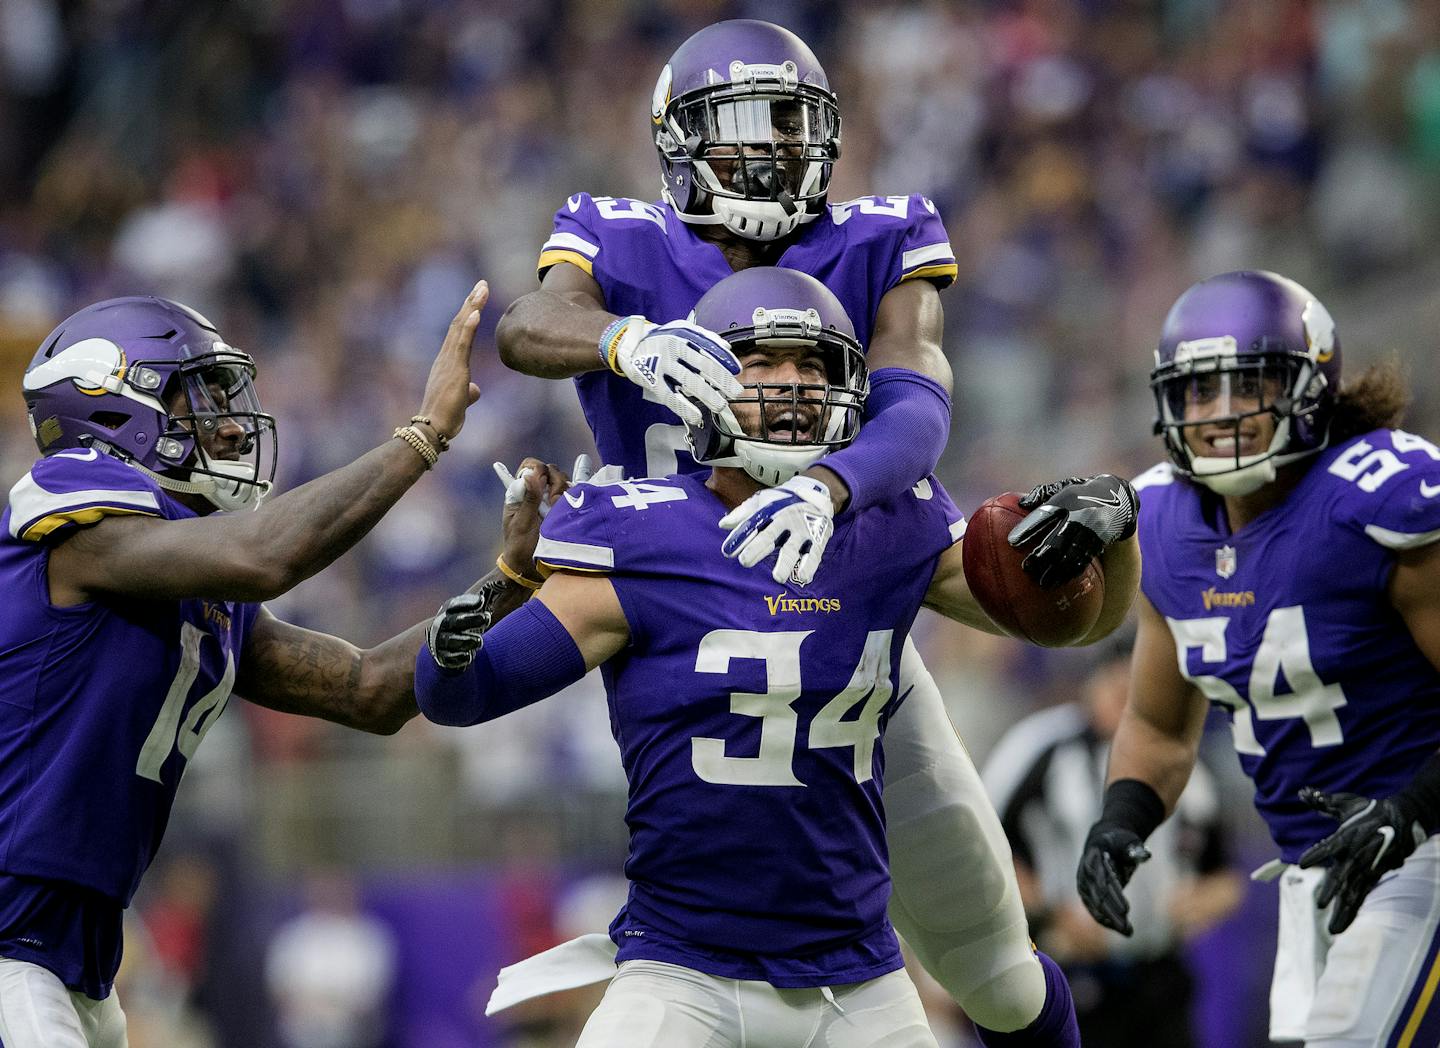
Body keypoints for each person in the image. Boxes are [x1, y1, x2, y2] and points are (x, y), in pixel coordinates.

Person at [494, 18, 1115, 1040]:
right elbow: (528, 324)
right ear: (678, 141)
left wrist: (830, 484)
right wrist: (624, 340)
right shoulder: (619, 239)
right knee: (681, 950)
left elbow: (918, 398)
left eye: (791, 122)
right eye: (742, 126)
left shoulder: (878, 232)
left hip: (844, 639)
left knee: (997, 973)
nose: (774, 148)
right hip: (663, 633)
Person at [426, 268, 1141, 1047]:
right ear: (701, 381)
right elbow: (465, 694)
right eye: (762, 362)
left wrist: (1118, 533)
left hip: (857, 977)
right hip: (681, 971)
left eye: (813, 365)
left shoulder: (890, 522)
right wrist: (475, 616)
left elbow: (1078, 626)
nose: (793, 385)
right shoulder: (640, 532)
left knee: (1007, 980)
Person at [0, 282, 546, 1048]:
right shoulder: (75, 516)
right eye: (199, 398)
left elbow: (369, 691)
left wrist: (512, 580)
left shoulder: (187, 578)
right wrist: (424, 433)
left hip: (72, 956)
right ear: (117, 410)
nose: (228, 424)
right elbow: (267, 555)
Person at [1075, 269, 1440, 1047]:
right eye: (1199, 392)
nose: (1219, 415)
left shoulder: (1377, 499)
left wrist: (1413, 810)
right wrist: (1121, 817)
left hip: (1427, 844)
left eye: (1248, 386)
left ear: (1312, 386)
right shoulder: (1165, 527)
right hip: (1317, 870)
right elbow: (1160, 726)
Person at [983, 630, 1242, 1047]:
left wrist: (1193, 906)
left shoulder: (1185, 763)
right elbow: (985, 850)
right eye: (1119, 689)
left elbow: (1225, 877)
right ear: (1093, 684)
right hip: (1069, 973)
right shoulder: (1041, 747)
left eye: (1139, 694)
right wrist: (1051, 915)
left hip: (1159, 975)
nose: (1128, 707)